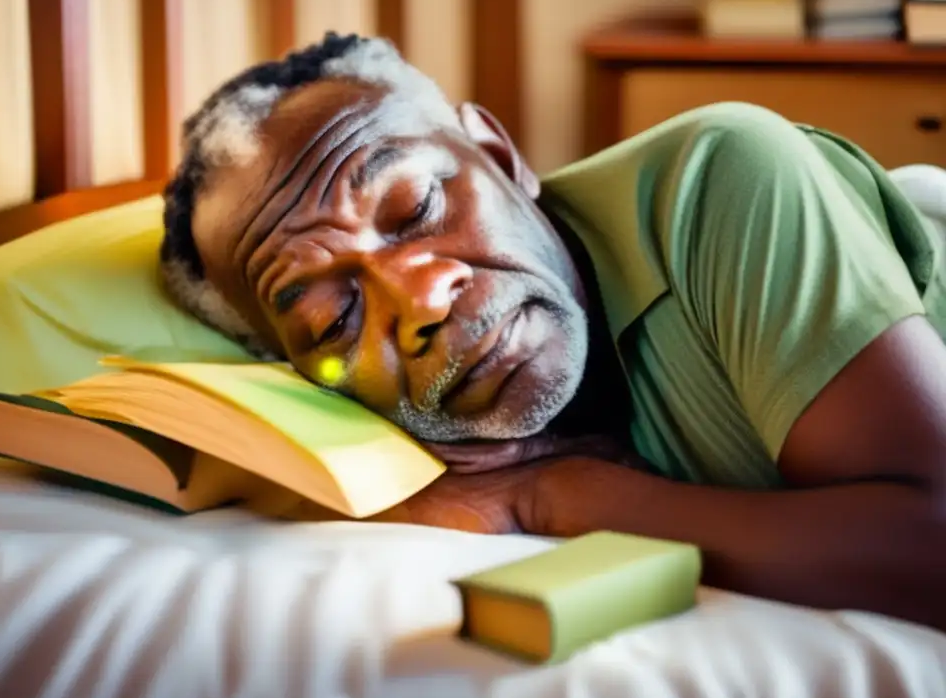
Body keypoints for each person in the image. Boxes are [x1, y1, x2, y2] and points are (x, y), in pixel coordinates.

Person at [159, 33, 946, 631]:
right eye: (335, 318)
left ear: (501, 155)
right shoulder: (360, 428)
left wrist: (560, 497)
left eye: (418, 209)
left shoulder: (723, 175)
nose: (424, 299)